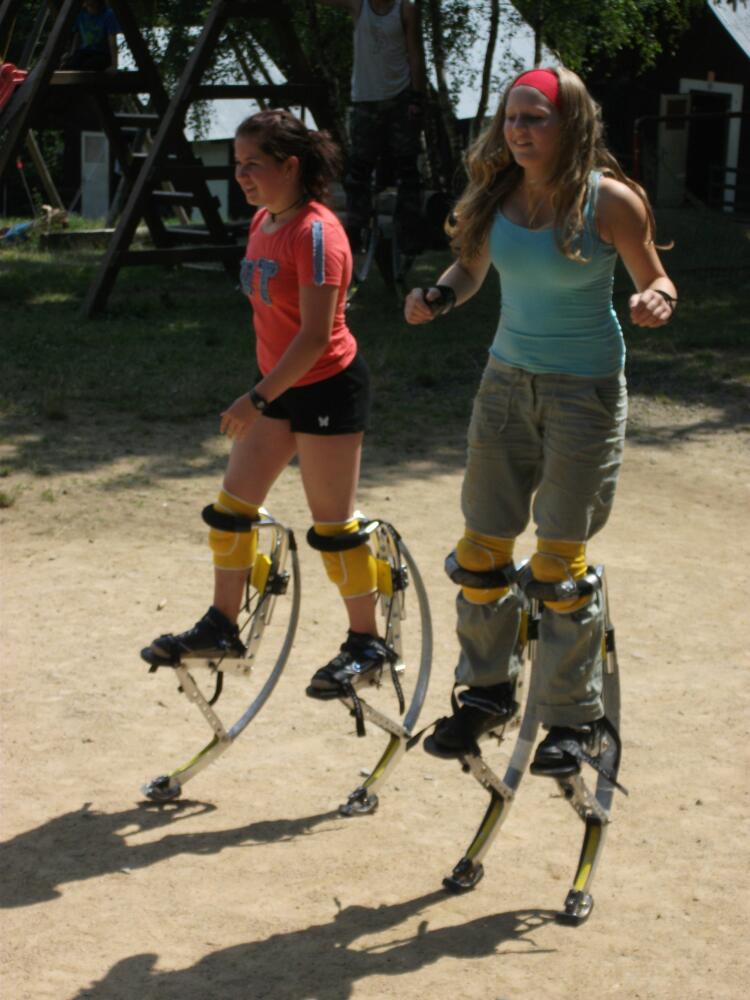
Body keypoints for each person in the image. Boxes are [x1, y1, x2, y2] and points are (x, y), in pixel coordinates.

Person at [404, 67, 677, 775]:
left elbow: (656, 278)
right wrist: (438, 296)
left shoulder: (608, 201)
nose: (519, 131)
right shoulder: (494, 194)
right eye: (512, 118)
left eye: (535, 118)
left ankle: (571, 719)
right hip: (504, 386)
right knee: (481, 552)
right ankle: (486, 694)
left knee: (557, 565)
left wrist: (657, 300)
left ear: (571, 124)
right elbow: (469, 270)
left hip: (583, 393)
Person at [142, 109, 390, 697]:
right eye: (238, 164)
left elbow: (315, 336)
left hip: (326, 386)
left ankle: (367, 643)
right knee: (231, 510)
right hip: (278, 385)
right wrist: (266, 392)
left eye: (253, 164)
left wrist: (256, 398)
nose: (242, 176)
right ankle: (222, 628)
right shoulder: (263, 221)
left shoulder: (317, 234)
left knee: (333, 527)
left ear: (291, 166)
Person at [318, 0, 426, 253]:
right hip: (365, 99)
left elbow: (415, 53)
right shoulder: (359, 5)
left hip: (399, 97)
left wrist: (417, 97)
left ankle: (409, 234)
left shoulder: (405, 8)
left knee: (408, 170)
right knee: (359, 170)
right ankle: (356, 231)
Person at [61, 2, 120, 73]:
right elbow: (77, 36)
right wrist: (71, 54)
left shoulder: (108, 14)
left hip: (102, 54)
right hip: (84, 52)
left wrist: (114, 65)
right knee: (68, 66)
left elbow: (112, 41)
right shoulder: (80, 14)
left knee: (88, 65)